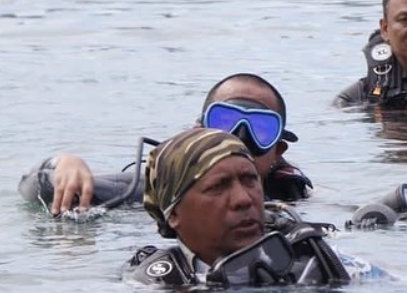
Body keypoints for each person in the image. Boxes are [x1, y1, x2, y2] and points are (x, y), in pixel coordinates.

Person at [21, 73, 312, 216]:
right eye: (224, 121)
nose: (238, 138)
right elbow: (41, 187)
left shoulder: (291, 196)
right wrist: (62, 164)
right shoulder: (153, 191)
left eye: (261, 128)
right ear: (197, 132)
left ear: (278, 150)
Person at [125, 129, 377, 286]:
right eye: (218, 186)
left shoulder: (322, 265)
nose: (243, 199)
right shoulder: (151, 288)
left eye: (249, 180)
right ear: (174, 214)